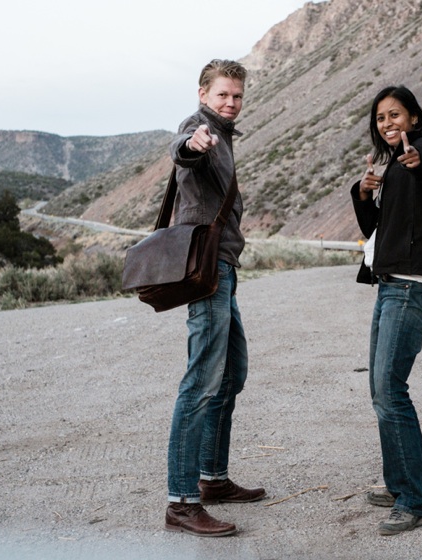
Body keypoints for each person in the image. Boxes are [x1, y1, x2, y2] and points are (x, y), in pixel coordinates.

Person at [350, 85, 422, 536]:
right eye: (380, 118)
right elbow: (376, 229)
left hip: (413, 283)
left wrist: (421, 166)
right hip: (391, 279)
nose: (387, 123)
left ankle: (414, 499)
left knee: (391, 388)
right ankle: (403, 484)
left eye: (395, 115)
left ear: (414, 118)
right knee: (381, 390)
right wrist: (363, 193)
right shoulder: (391, 163)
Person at [164, 59, 265, 538]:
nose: (231, 103)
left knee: (232, 374)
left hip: (224, 267)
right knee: (201, 381)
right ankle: (181, 503)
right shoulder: (199, 128)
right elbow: (182, 148)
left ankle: (213, 479)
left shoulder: (225, 134)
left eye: (238, 96)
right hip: (207, 272)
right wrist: (192, 144)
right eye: (223, 94)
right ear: (204, 94)